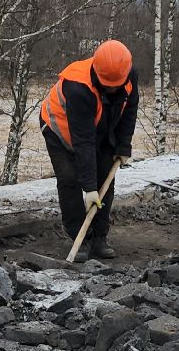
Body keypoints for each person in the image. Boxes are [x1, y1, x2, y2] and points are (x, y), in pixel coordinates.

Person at [39, 39, 138, 262]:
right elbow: (83, 142)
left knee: (106, 176)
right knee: (70, 178)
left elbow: (130, 110)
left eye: (117, 84)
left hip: (99, 128)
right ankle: (78, 236)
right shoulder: (78, 87)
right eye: (108, 84)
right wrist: (89, 188)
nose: (113, 88)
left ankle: (99, 237)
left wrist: (123, 146)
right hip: (59, 130)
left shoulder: (129, 75)